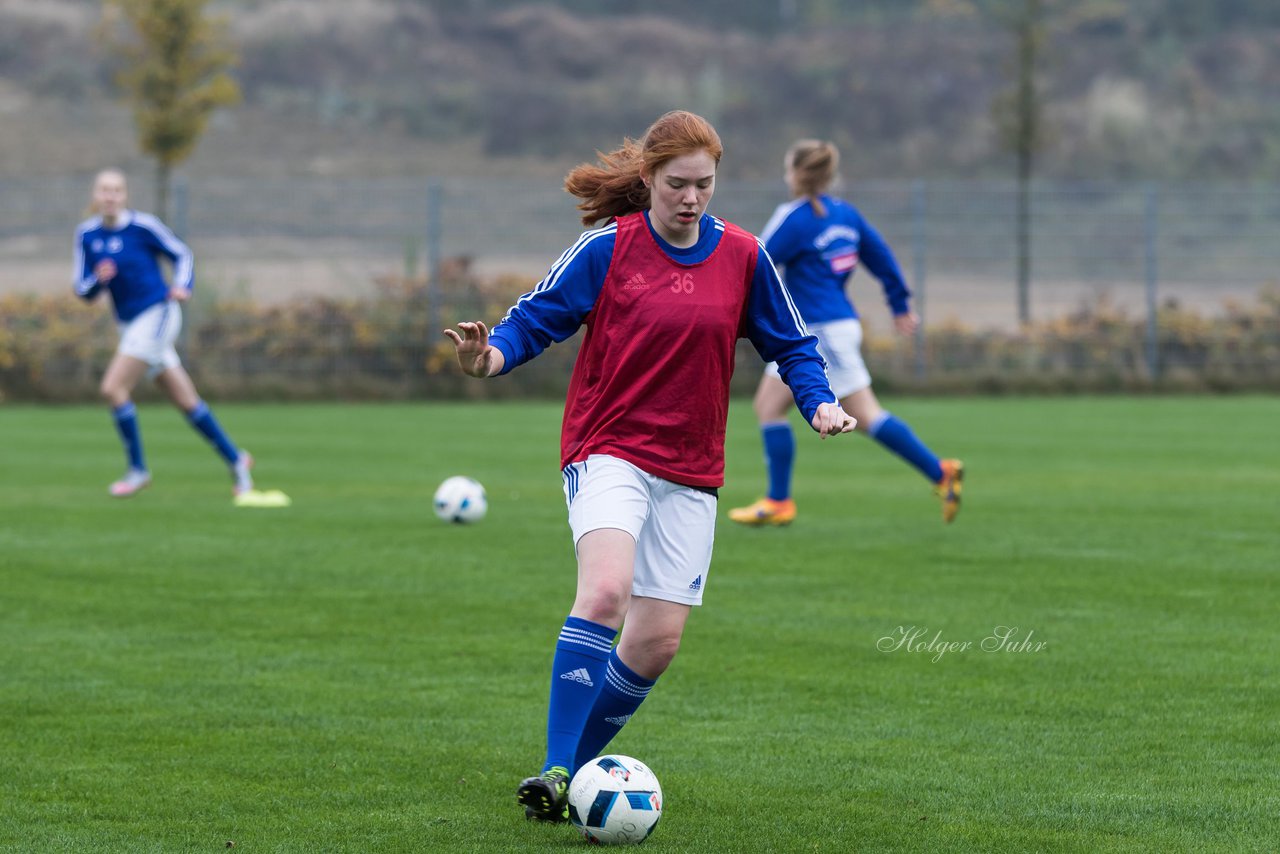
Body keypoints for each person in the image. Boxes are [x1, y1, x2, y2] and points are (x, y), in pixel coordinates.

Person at [443, 110, 855, 823]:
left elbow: (794, 345)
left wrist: (818, 402)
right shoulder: (607, 249)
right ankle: (554, 767)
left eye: (704, 184)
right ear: (648, 179)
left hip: (692, 467)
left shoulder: (744, 256)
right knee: (605, 592)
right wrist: (488, 358)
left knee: (658, 643)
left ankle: (571, 776)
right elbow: (535, 319)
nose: (692, 198)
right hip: (610, 449)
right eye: (677, 185)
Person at [727, 139, 963, 527]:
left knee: (867, 415)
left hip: (820, 332)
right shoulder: (846, 215)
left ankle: (941, 472)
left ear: (796, 174)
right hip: (832, 326)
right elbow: (881, 256)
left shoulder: (795, 217)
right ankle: (778, 501)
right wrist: (900, 304)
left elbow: (758, 261)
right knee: (768, 407)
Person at [73, 168, 254, 499]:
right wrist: (99, 279)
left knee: (113, 388)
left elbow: (182, 253)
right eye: (104, 190)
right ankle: (237, 459)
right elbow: (82, 290)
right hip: (129, 324)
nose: (110, 196)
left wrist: (183, 285)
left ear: (124, 196)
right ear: (95, 196)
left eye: (116, 190)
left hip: (158, 313)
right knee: (186, 401)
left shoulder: (143, 226)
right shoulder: (87, 235)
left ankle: (138, 470)